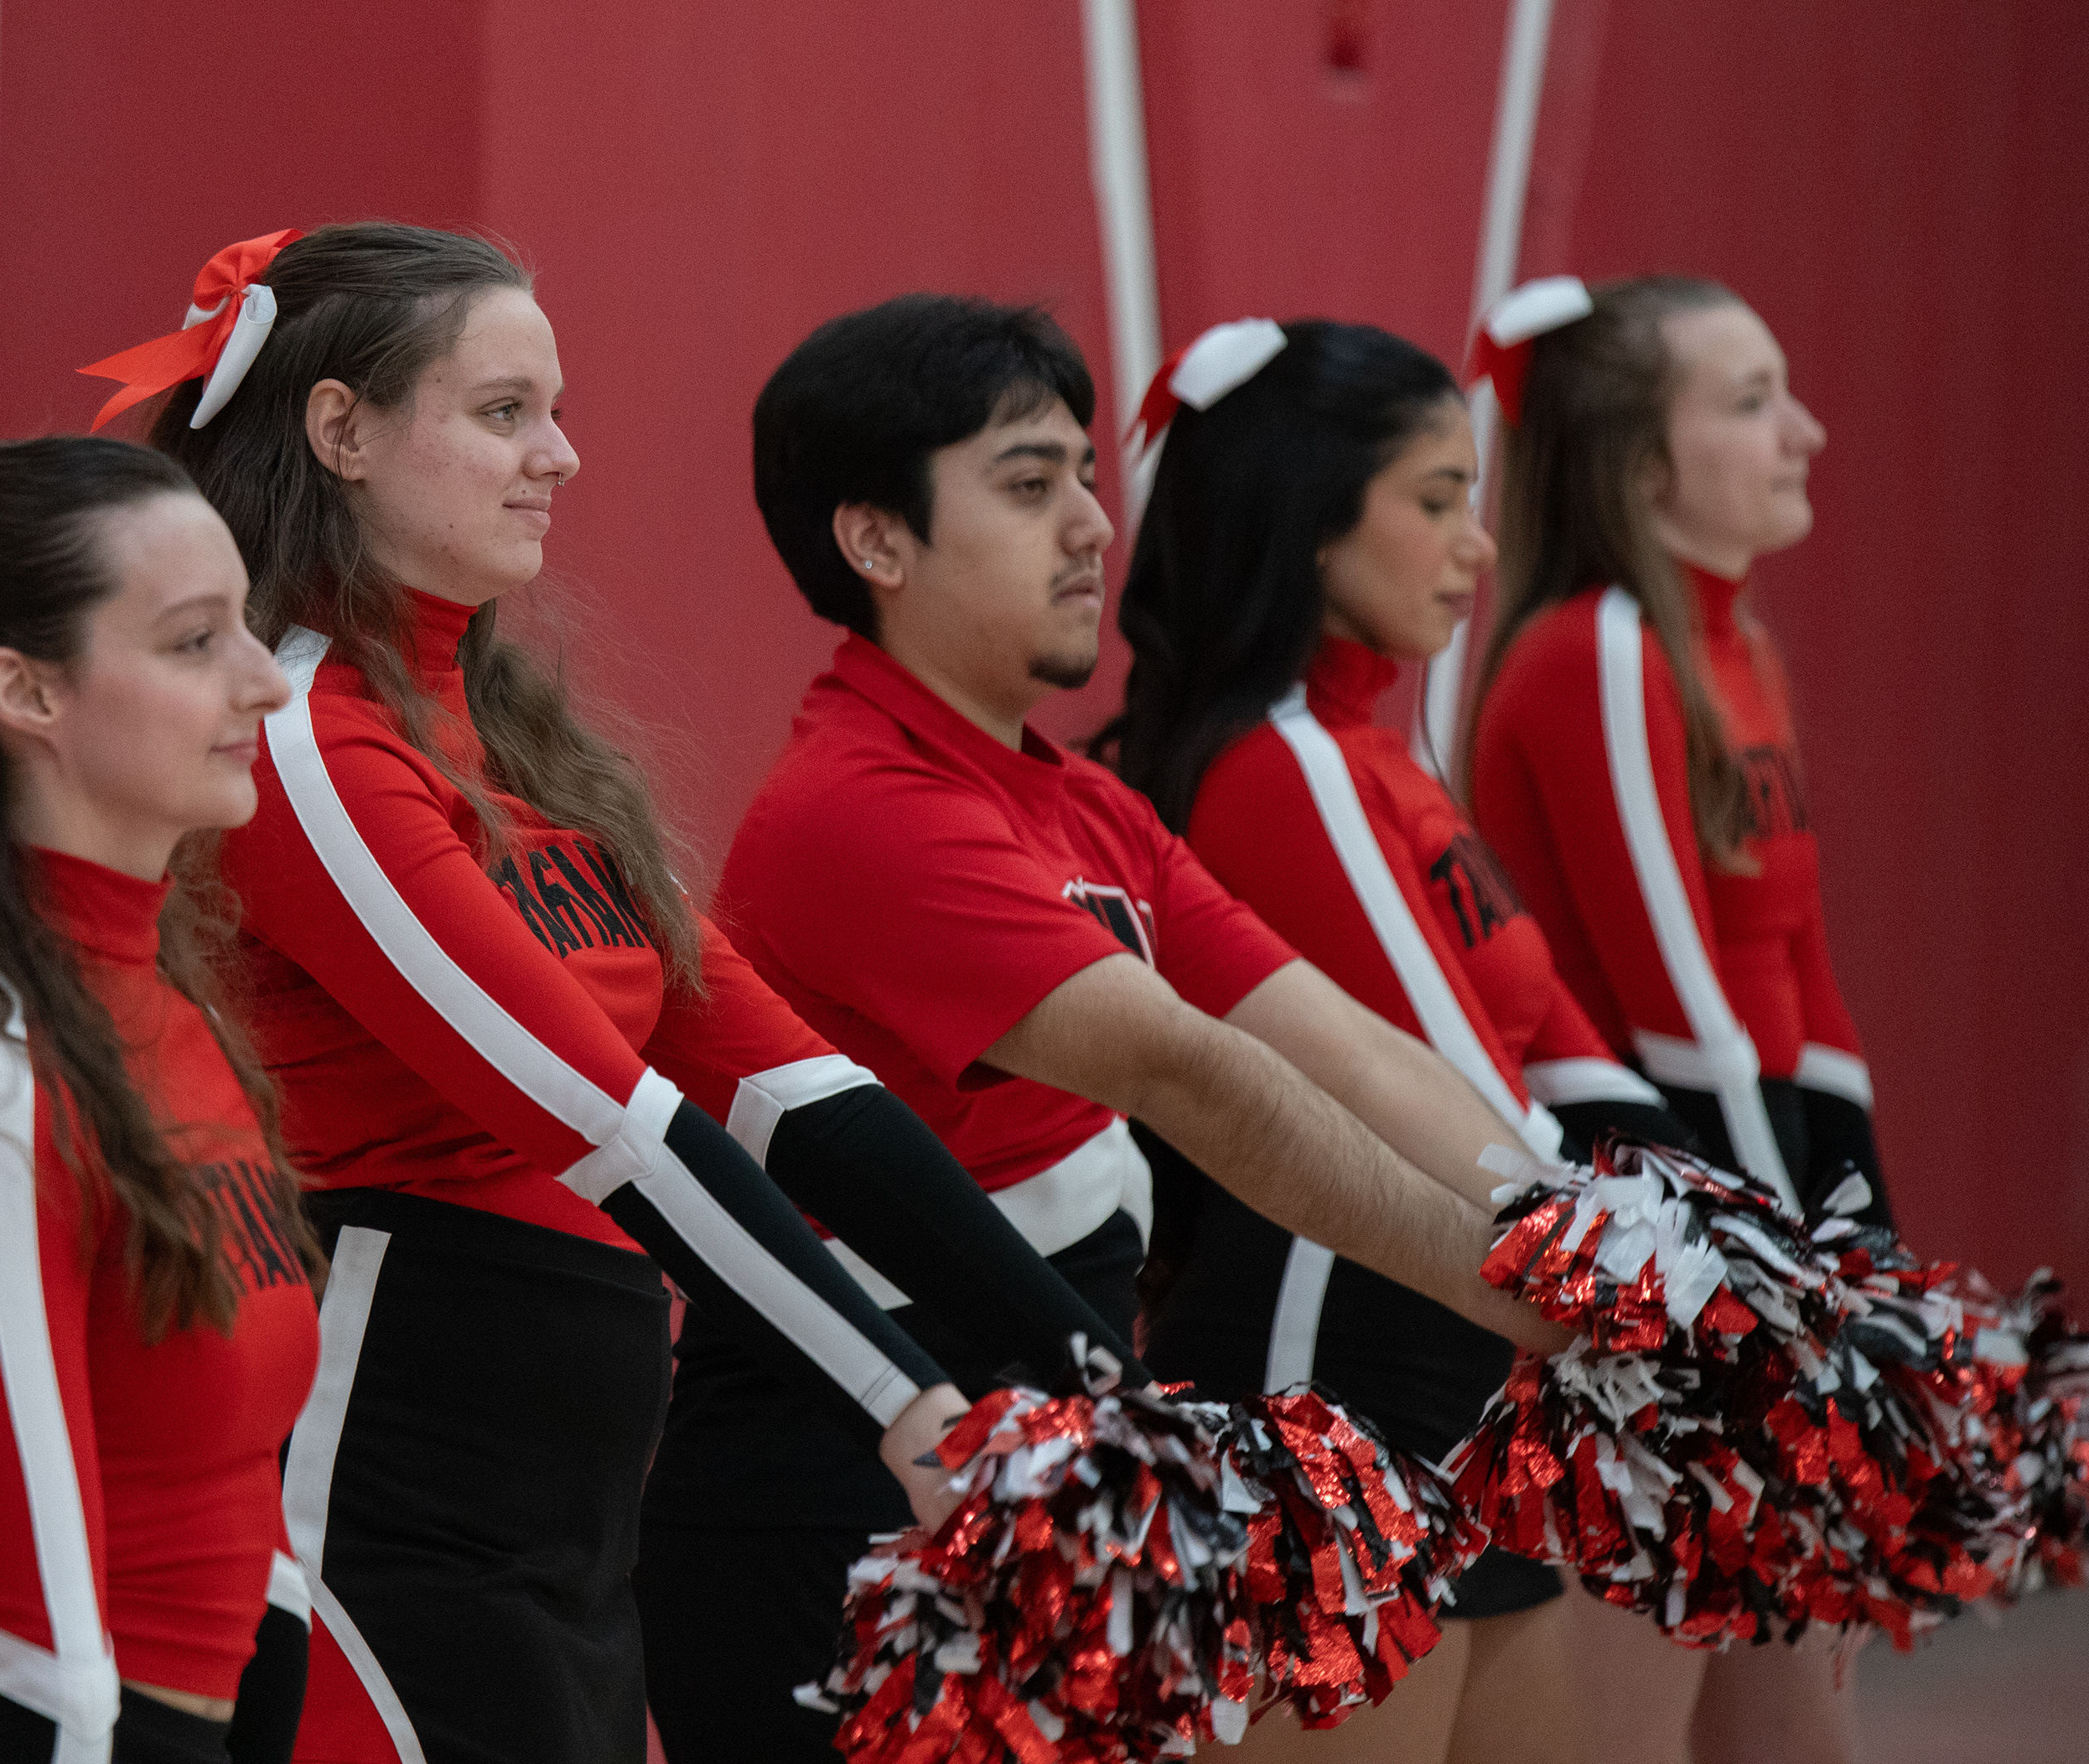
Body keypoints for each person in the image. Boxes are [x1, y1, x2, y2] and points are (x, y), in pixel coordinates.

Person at [122, 224, 1153, 1764]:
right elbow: (607, 1122)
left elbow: (791, 1088)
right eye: (503, 413)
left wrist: (1092, 1381)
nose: (560, 456)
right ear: (341, 430)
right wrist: (912, 1409)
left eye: (553, 410)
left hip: (571, 1520)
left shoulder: (520, 745)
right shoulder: (304, 741)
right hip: (390, 1494)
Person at [692, 294, 1580, 1761]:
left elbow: (1350, 1047)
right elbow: (1191, 1073)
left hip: (1045, 1476)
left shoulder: (1090, 809)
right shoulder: (858, 805)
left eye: (1088, 476)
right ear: (878, 542)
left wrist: (1585, 1244)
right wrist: (1529, 1293)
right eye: (1028, 484)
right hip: (844, 1510)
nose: (1093, 525)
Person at [1105, 314, 1717, 1760]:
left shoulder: (1380, 753)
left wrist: (1747, 1251)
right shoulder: (1283, 764)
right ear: (1314, 525)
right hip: (1336, 1367)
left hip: (1474, 1349)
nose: (1478, 544)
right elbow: (1450, 1090)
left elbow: (1562, 1049)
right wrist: (1681, 1295)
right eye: (1436, 500)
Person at [0, 437, 326, 1764]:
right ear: (24, 691)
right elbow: (38, 1645)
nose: (263, 681)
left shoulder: (169, 1006)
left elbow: (243, 1518)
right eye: (194, 642)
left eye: (248, 627)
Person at [1467, 275, 1878, 1764]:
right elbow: (1679, 1016)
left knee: (1798, 1729)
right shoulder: (1595, 651)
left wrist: (1870, 1281)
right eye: (1754, 401)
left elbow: (1803, 996)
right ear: (1643, 465)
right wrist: (1789, 1309)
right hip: (1657, 1272)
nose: (1806, 433)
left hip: (1758, 1237)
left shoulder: (1735, 647)